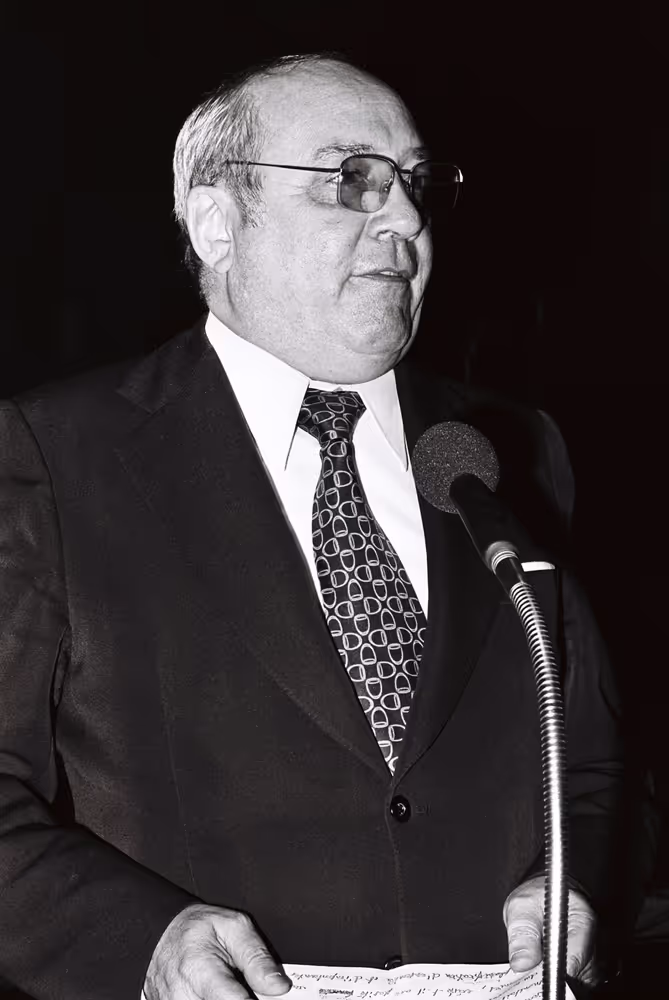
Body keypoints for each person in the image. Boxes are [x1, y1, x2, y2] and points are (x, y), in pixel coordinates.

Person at [0, 52, 636, 1000]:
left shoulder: (508, 448)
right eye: (352, 180)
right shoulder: (53, 453)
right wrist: (140, 943)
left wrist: (578, 883)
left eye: (416, 184)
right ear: (218, 220)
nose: (407, 220)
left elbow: (600, 769)